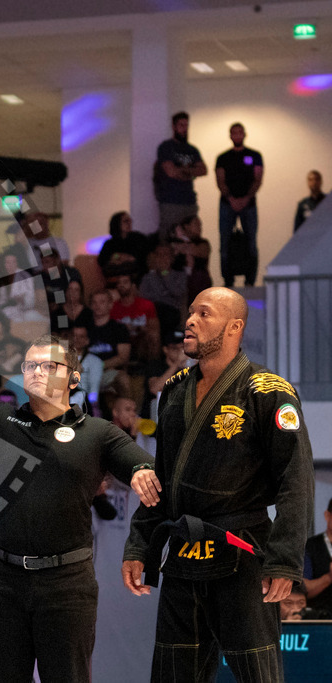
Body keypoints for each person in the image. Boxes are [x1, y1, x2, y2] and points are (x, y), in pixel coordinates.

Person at [0, 330, 159, 683]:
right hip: (2, 582)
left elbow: (148, 473)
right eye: (30, 365)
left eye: (49, 365)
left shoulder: (98, 433)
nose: (37, 371)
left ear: (74, 377)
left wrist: (142, 471)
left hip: (67, 586)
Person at [122, 287, 314, 683]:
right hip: (181, 555)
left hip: (241, 554)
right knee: (173, 676)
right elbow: (162, 478)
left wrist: (284, 559)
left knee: (259, 675)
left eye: (204, 314)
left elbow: (296, 480)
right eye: (190, 312)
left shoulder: (267, 392)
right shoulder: (174, 393)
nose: (190, 321)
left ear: (234, 327)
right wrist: (140, 543)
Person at [215, 123, 264, 287]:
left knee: (251, 242)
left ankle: (250, 280)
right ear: (230, 135)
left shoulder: (254, 155)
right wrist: (231, 199)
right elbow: (220, 180)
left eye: (239, 132)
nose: (237, 135)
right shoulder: (223, 158)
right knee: (224, 242)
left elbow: (258, 179)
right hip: (227, 204)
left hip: (248, 205)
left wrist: (246, 199)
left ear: (244, 134)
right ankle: (227, 281)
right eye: (234, 133)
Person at [155, 111, 208, 235]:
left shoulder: (192, 150)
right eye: (181, 125)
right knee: (168, 237)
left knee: (192, 236)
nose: (184, 129)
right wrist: (191, 172)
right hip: (170, 201)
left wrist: (183, 170)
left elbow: (203, 170)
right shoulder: (166, 147)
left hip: (189, 201)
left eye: (186, 125)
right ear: (174, 127)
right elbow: (171, 172)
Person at [97, 211, 151, 278]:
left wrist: (129, 258)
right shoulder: (110, 243)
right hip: (116, 275)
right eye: (126, 221)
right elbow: (102, 260)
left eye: (130, 221)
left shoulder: (138, 238)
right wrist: (117, 256)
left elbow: (145, 255)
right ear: (117, 223)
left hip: (135, 274)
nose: (129, 223)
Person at [302, 497, 332, 615]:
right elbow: (303, 590)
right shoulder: (309, 547)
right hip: (318, 618)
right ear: (327, 515)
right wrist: (328, 577)